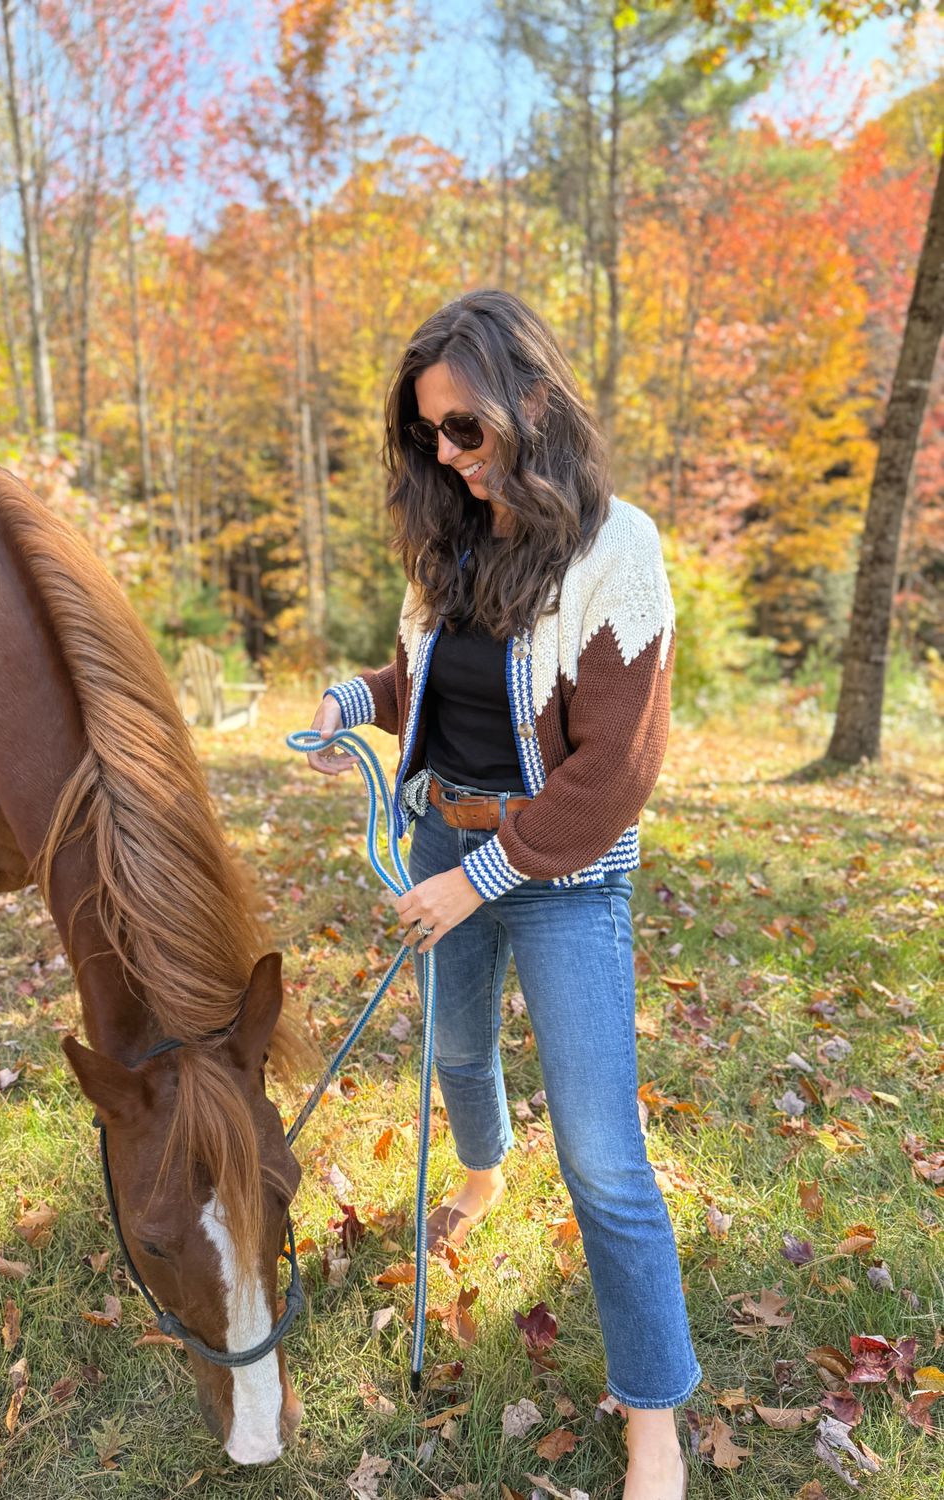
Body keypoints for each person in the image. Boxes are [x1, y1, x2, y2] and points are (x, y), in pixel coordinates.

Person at [307, 289, 698, 1500]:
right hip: (443, 844)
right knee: (458, 1058)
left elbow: (615, 774)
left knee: (604, 1159)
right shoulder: (449, 541)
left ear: (532, 400)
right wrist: (354, 703)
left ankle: (655, 1422)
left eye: (463, 429)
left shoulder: (613, 550)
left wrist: (482, 880)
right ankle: (481, 1174)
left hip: (561, 875)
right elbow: (425, 676)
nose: (446, 456)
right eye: (428, 434)